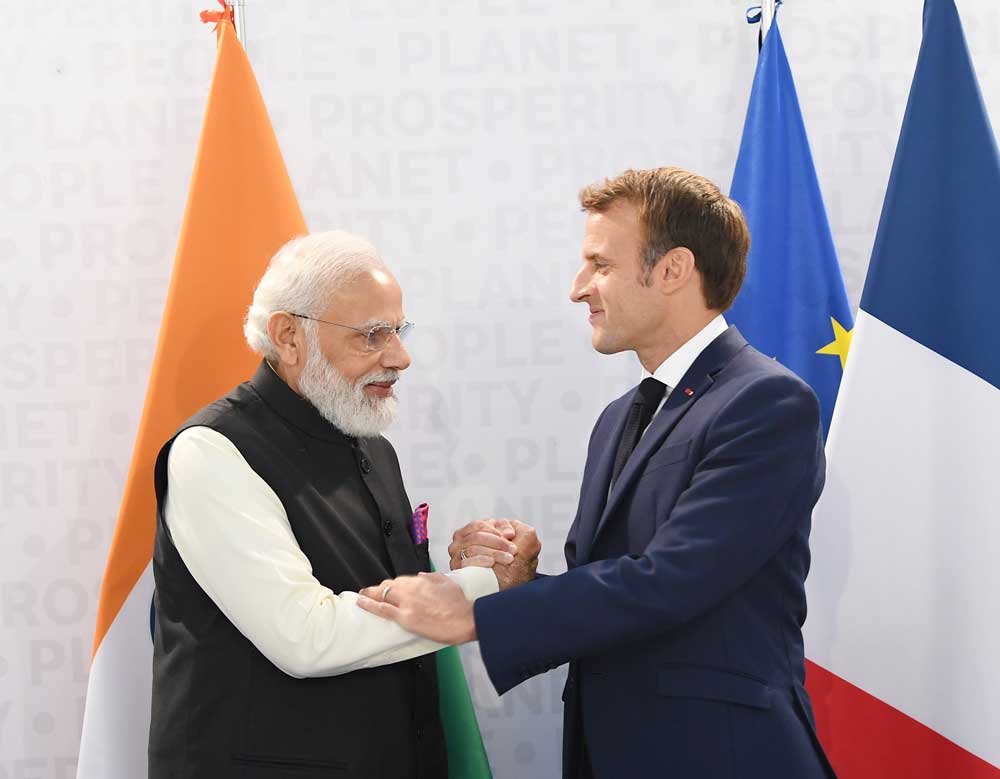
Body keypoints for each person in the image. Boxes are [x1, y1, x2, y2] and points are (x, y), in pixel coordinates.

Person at [358, 168, 837, 778]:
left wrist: (474, 613)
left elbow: (672, 580)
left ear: (673, 271)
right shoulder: (619, 418)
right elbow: (619, 591)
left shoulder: (767, 403)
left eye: (600, 265)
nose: (578, 288)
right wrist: (520, 582)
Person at [148, 230, 501, 779]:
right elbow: (304, 637)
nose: (401, 357)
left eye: (399, 331)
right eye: (372, 335)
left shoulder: (372, 447)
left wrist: (470, 565)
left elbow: (379, 593)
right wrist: (487, 588)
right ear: (288, 336)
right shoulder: (212, 452)